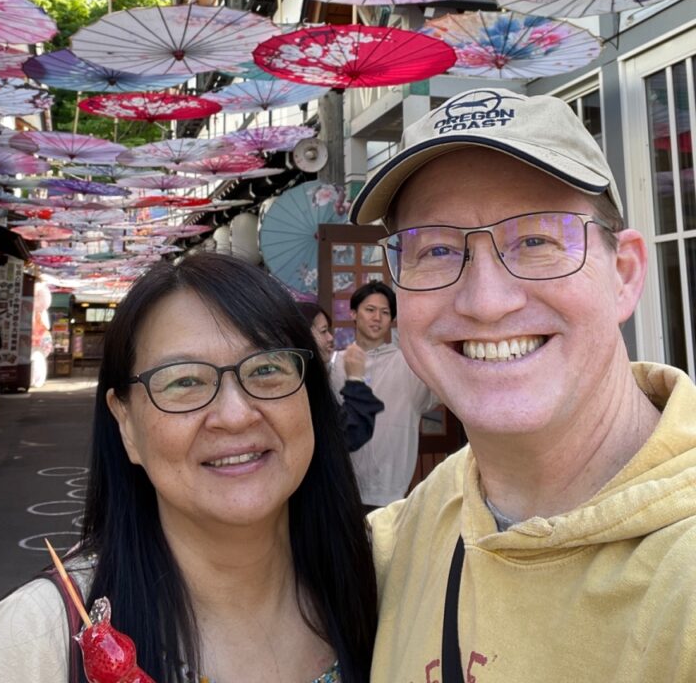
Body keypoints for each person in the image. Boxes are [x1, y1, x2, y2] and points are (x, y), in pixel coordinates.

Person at [349, 86, 696, 683]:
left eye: (536, 240)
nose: (487, 302)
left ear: (625, 274)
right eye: (434, 249)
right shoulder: (398, 543)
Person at [0, 253, 377, 683]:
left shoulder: (386, 583)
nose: (236, 415)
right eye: (185, 380)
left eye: (267, 369)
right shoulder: (40, 637)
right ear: (125, 423)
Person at [329, 281, 436, 512]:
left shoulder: (410, 365)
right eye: (370, 310)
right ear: (353, 314)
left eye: (385, 312)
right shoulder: (334, 364)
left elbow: (449, 386)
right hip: (341, 491)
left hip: (391, 494)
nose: (377, 317)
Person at [296, 301, 384, 452]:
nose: (330, 338)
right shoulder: (299, 384)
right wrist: (355, 378)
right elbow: (347, 435)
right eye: (323, 331)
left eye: (385, 312)